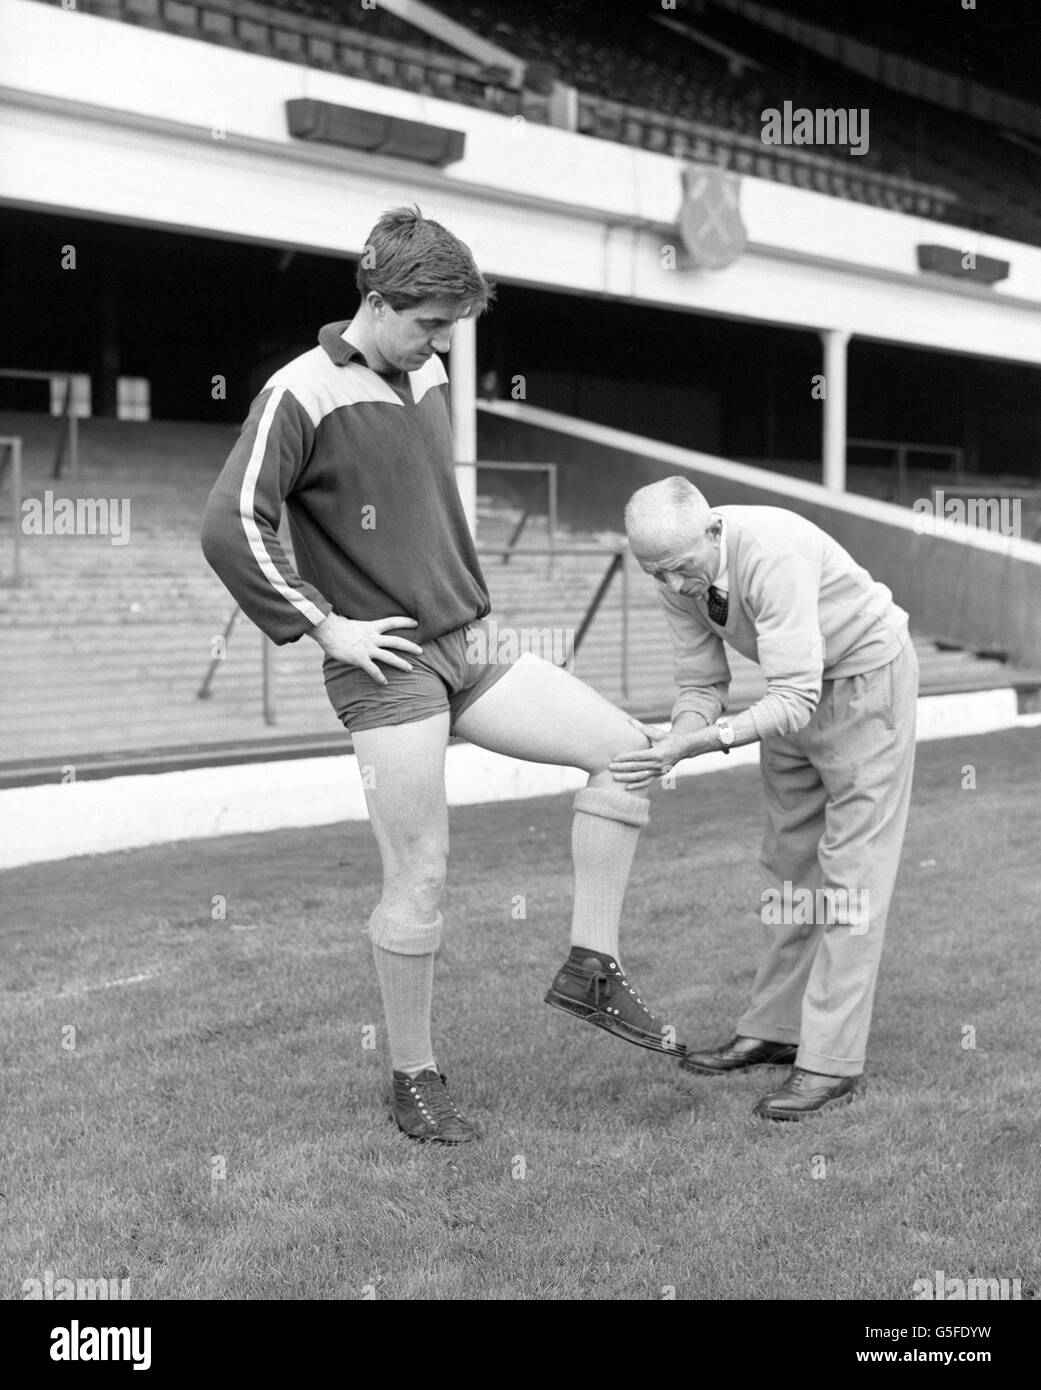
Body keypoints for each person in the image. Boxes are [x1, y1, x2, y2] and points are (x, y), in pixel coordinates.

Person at [201, 207, 683, 1146]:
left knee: (628, 752)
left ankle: (590, 964)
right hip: (389, 668)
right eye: (426, 322)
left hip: (474, 643)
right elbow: (229, 527)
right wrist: (326, 627)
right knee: (420, 873)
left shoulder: (428, 367)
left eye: (451, 325)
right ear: (376, 303)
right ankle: (414, 1078)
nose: (440, 341)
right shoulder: (297, 392)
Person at [611, 478, 918, 1120]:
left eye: (678, 569)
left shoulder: (772, 552)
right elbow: (701, 683)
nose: (671, 586)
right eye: (653, 572)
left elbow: (795, 698)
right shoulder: (677, 571)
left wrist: (699, 745)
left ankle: (829, 1062)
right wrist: (673, 739)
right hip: (788, 698)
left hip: (864, 685)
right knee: (788, 867)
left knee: (851, 877)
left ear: (714, 533)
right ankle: (775, 1030)